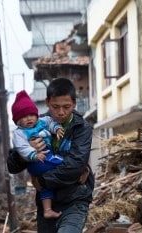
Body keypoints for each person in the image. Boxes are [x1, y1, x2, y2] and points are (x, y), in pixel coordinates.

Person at [7, 78, 94, 233]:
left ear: (74, 104)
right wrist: (25, 152)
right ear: (47, 102)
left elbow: (74, 165)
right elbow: (12, 166)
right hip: (47, 203)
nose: (61, 112)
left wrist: (42, 180)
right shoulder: (33, 123)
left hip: (75, 198)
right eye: (55, 107)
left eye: (66, 107)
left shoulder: (82, 128)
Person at [11, 90, 65, 219]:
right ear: (18, 121)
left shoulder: (43, 121)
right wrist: (33, 154)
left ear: (36, 115)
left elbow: (51, 123)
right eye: (23, 117)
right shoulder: (20, 133)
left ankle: (47, 210)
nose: (28, 118)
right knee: (63, 163)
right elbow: (22, 148)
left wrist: (57, 128)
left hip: (44, 159)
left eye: (31, 115)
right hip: (37, 161)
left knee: (45, 187)